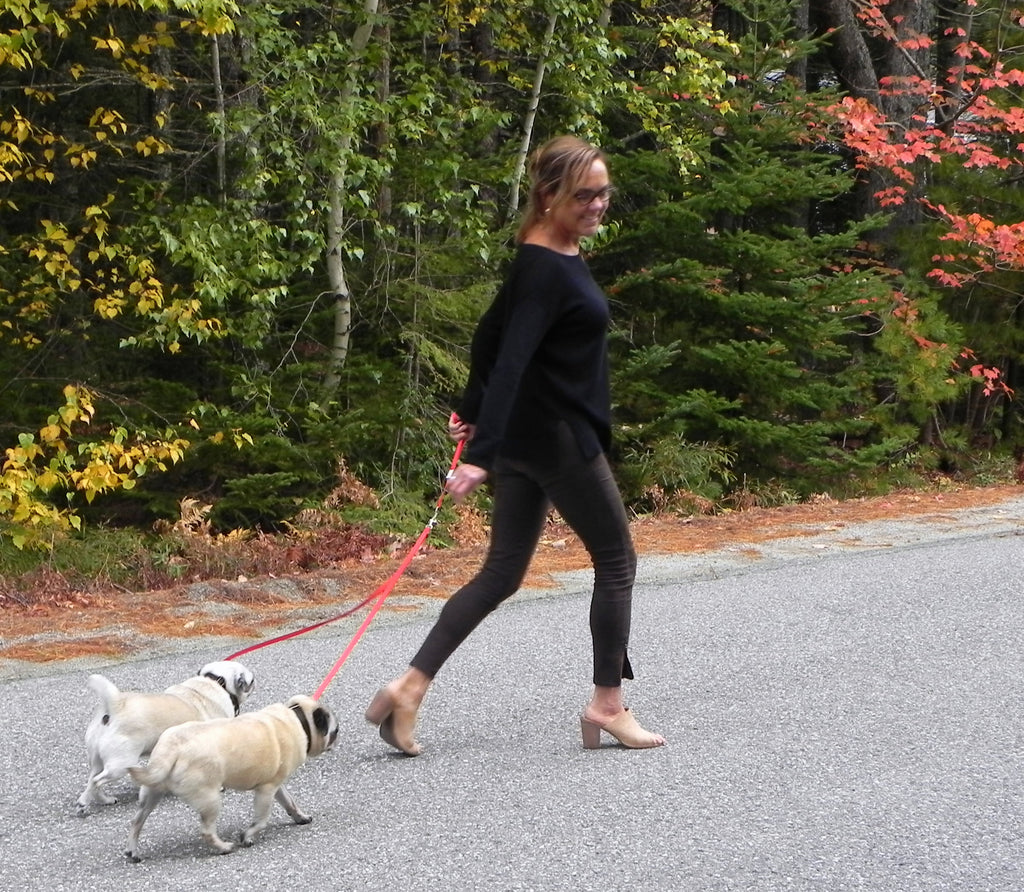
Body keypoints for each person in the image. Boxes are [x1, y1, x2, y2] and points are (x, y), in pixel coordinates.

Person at [365, 135, 665, 754]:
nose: (598, 204)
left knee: (502, 572)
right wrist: (480, 453)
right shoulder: (546, 266)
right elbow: (509, 360)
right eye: (584, 195)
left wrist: (475, 413)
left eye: (604, 192)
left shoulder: (546, 251)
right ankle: (608, 705)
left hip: (528, 439)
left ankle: (409, 689)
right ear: (550, 194)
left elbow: (488, 335)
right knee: (617, 562)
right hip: (559, 438)